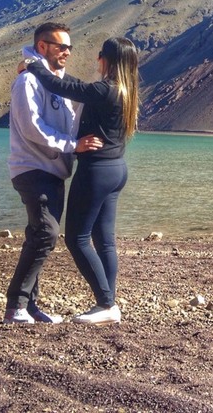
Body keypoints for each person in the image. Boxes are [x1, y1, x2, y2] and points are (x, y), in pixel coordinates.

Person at [23, 36, 140, 325]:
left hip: (97, 171)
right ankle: (107, 303)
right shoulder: (125, 91)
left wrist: (32, 66)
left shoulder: (105, 89)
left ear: (108, 60)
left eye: (100, 54)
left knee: (77, 238)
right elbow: (76, 87)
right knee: (104, 240)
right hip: (116, 171)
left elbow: (62, 87)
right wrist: (51, 71)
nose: (97, 59)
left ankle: (106, 303)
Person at [4, 22, 102, 324]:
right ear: (43, 46)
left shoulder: (56, 81)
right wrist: (74, 145)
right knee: (47, 233)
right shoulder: (27, 83)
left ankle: (30, 306)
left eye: (70, 47)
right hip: (32, 168)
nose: (68, 52)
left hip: (53, 170)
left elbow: (70, 116)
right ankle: (16, 307)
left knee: (38, 235)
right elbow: (33, 128)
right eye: (62, 47)